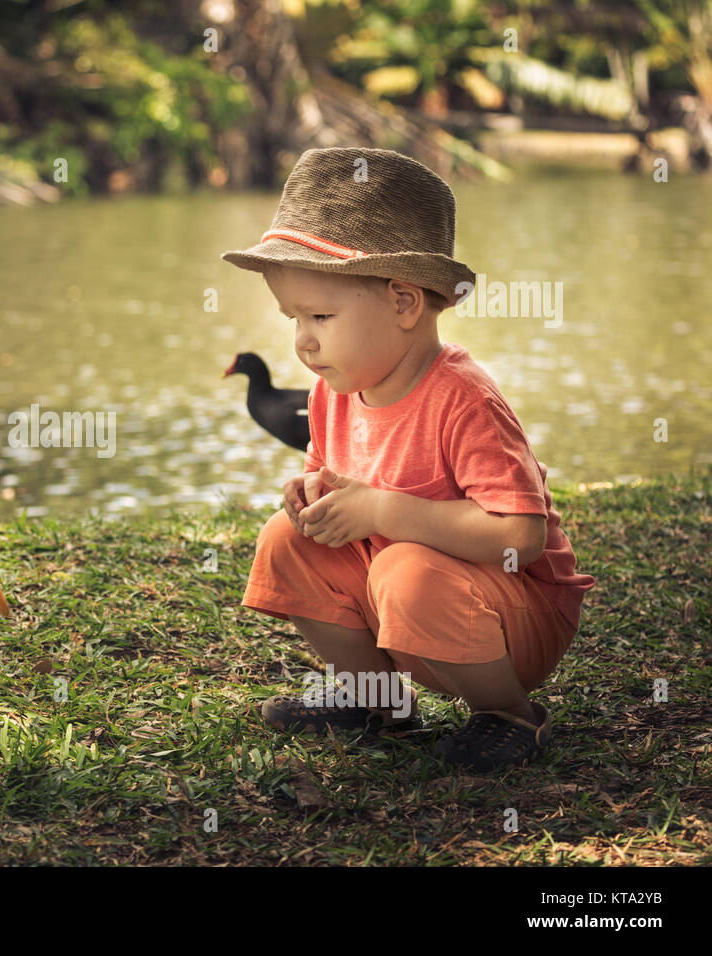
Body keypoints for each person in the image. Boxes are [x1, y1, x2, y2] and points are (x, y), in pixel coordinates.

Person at [220, 147, 595, 771]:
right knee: (287, 539)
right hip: (409, 598)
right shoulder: (332, 393)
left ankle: (511, 716)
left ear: (403, 304)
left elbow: (520, 537)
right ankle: (381, 700)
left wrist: (386, 510)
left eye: (320, 316)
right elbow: (337, 476)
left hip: (513, 616)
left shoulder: (463, 399)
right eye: (292, 318)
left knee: (407, 570)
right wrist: (317, 491)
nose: (302, 341)